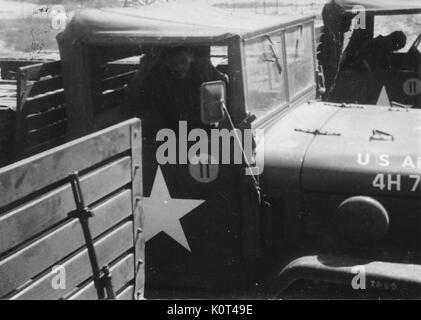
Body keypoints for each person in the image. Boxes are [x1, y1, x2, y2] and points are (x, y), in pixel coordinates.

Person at [128, 46, 228, 137]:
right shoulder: (159, 75)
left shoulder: (204, 69)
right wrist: (145, 68)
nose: (178, 67)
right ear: (166, 61)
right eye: (173, 63)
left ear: (191, 57)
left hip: (203, 130)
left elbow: (224, 82)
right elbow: (135, 93)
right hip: (171, 133)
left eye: (183, 61)